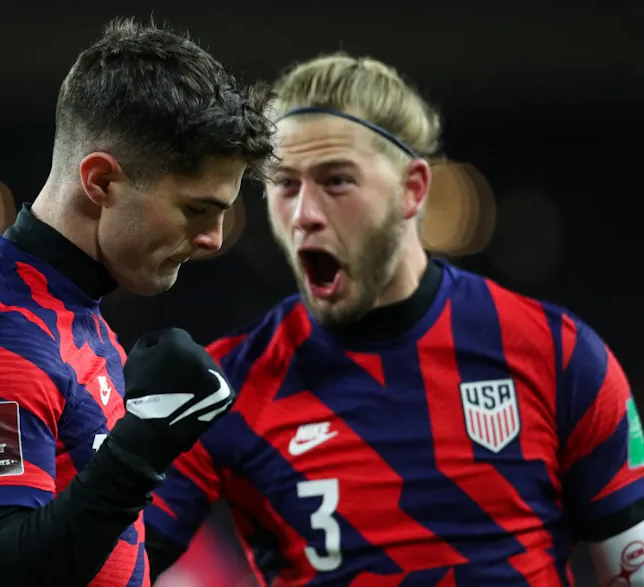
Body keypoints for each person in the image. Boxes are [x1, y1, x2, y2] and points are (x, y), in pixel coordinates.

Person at [143, 53, 644, 586]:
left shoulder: (556, 354)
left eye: (336, 181)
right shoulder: (227, 384)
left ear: (413, 189)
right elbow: (108, 570)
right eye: (285, 184)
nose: (304, 213)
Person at [0, 17, 273, 587]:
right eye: (196, 209)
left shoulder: (70, 314)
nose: (214, 238)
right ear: (101, 181)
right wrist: (144, 444)